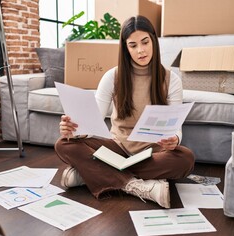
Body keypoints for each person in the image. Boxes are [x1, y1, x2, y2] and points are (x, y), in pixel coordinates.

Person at [55, 15, 195, 208]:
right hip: (117, 148)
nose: (141, 50)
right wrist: (74, 129)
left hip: (152, 153)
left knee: (185, 159)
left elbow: (175, 127)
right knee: (64, 144)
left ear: (154, 40)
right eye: (133, 45)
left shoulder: (172, 80)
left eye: (145, 42)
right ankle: (134, 185)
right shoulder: (112, 76)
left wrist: (174, 140)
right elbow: (92, 121)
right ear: (125, 48)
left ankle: (89, 174)